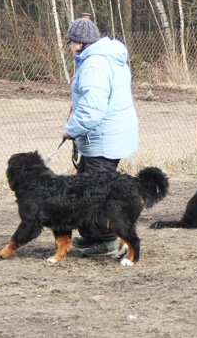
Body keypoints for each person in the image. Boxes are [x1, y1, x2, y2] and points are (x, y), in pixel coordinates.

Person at [62, 14, 139, 257]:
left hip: (103, 138)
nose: (70, 47)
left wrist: (70, 129)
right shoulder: (108, 57)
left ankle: (105, 240)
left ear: (81, 43)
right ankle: (92, 236)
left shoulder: (95, 64)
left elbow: (93, 109)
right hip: (107, 135)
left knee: (95, 195)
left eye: (72, 42)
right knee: (86, 187)